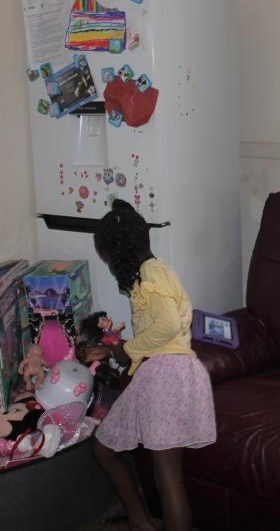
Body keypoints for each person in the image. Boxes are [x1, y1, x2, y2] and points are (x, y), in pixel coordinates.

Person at [84, 199, 216, 531]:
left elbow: (167, 326)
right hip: (169, 374)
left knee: (167, 476)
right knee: (104, 448)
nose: (110, 267)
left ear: (119, 254)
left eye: (108, 260)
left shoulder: (149, 274)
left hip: (165, 377)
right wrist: (116, 350)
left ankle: (142, 521)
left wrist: (125, 351)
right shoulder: (158, 271)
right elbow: (159, 328)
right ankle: (140, 521)